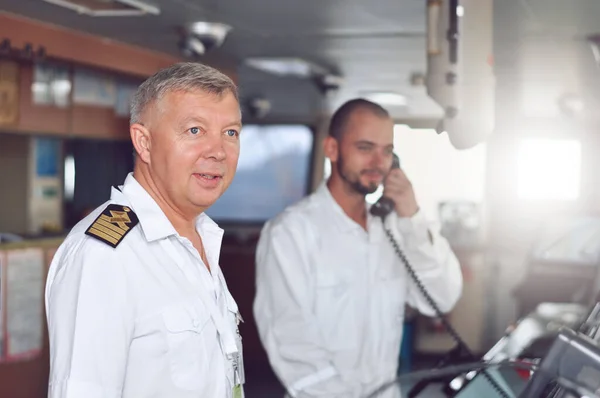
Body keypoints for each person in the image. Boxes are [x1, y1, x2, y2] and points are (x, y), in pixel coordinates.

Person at [45, 62, 245, 398]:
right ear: (144, 142)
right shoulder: (104, 254)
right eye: (195, 131)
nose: (218, 152)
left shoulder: (200, 240)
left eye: (231, 133)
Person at [253, 99, 463, 398]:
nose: (379, 162)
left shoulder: (394, 228)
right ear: (332, 149)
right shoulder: (290, 233)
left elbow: (441, 299)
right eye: (365, 148)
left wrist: (412, 218)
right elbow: (292, 342)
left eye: (387, 151)